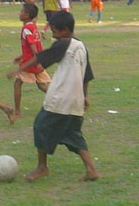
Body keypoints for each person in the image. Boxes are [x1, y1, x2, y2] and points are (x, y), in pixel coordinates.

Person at [7, 11, 99, 181]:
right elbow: (87, 76)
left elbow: (40, 57)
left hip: (60, 98)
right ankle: (91, 170)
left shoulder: (63, 43)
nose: (53, 35)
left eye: (54, 31)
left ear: (65, 30)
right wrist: (84, 96)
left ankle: (42, 168)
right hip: (75, 100)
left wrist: (19, 69)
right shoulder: (81, 46)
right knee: (73, 133)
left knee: (40, 126)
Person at [12, 2, 50, 117]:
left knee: (17, 84)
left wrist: (37, 60)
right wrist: (21, 56)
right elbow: (33, 46)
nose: (19, 13)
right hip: (37, 60)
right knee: (41, 85)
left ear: (27, 15)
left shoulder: (26, 29)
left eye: (21, 11)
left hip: (30, 62)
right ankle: (61, 100)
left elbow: (33, 46)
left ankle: (17, 111)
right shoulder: (34, 27)